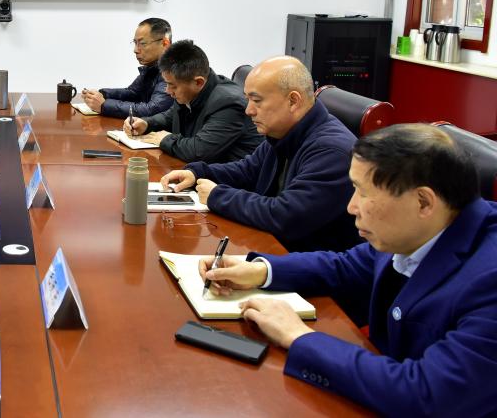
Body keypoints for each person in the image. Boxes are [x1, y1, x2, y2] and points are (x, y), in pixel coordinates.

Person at [200, 124, 497, 417]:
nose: (351, 207)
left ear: (423, 202)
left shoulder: (490, 277)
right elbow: (346, 266)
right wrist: (260, 271)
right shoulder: (416, 228)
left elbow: (427, 395)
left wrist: (298, 337)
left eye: (363, 193)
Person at [161, 56, 360, 253]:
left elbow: (286, 216)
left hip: (304, 261)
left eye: (256, 101)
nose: (249, 110)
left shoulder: (331, 151)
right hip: (275, 246)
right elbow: (248, 170)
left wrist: (217, 196)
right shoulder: (284, 132)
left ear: (293, 101)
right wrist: (198, 173)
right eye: (248, 99)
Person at [124, 40, 261, 163]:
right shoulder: (189, 91)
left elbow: (199, 152)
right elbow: (170, 117)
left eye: (172, 86)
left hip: (231, 180)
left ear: (198, 82)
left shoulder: (229, 104)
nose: (168, 91)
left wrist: (164, 139)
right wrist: (147, 123)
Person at [81, 17, 173, 118]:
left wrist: (104, 105)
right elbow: (133, 93)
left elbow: (152, 110)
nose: (135, 50)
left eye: (142, 43)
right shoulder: (152, 67)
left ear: (165, 43)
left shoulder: (172, 70)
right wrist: (101, 94)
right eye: (135, 43)